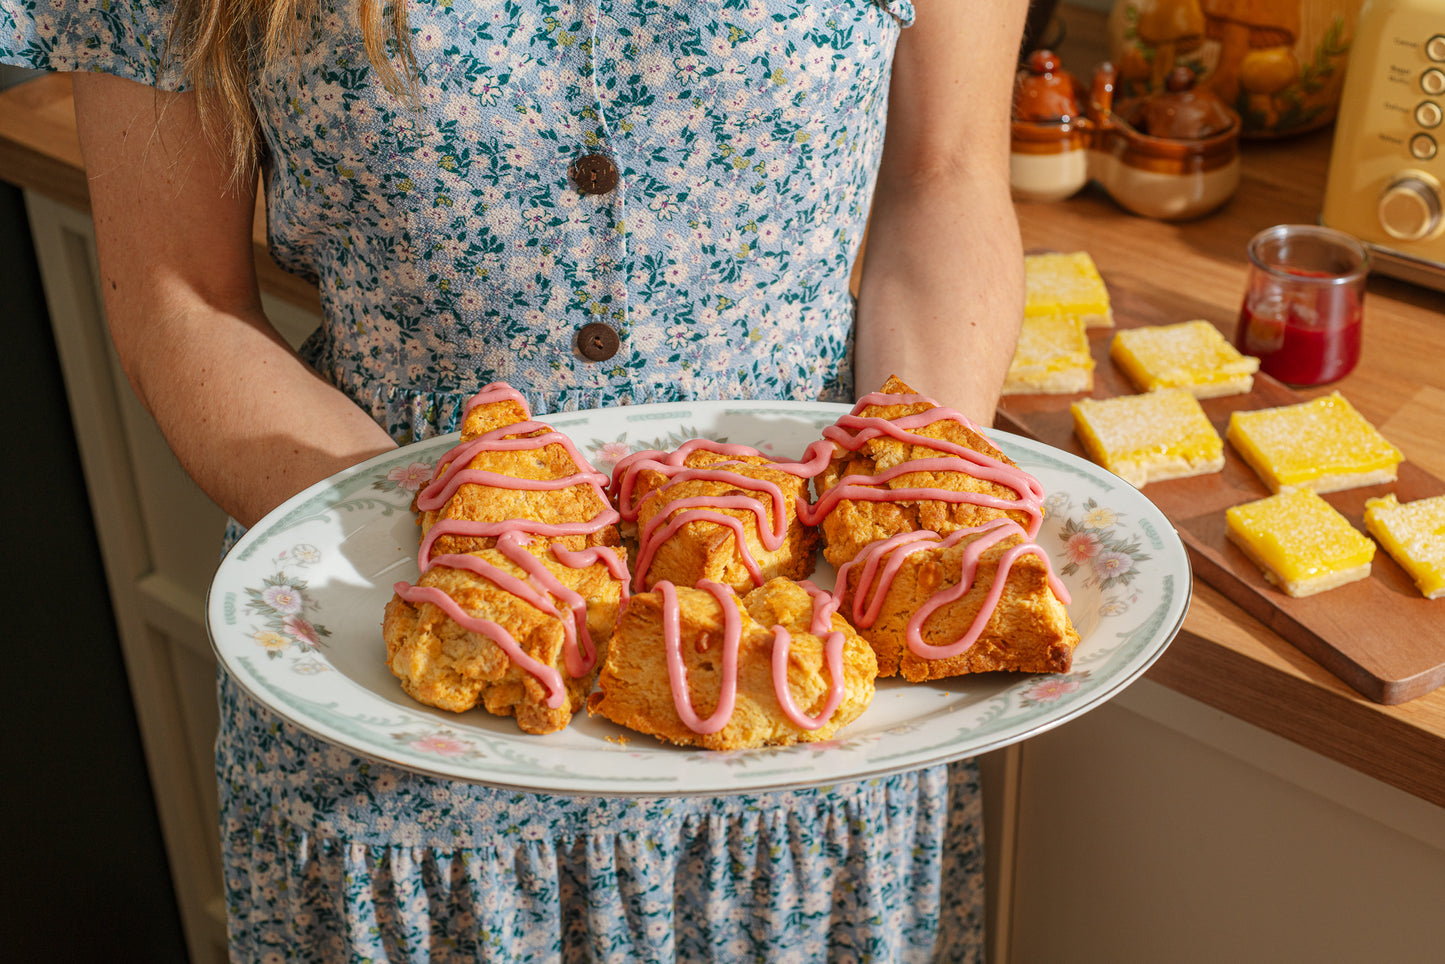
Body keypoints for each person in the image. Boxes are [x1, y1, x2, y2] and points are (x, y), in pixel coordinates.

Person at [4, 0, 1026, 959]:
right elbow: (182, 297)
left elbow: (946, 178)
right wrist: (462, 567)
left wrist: (912, 515)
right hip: (407, 709)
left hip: (808, 689)